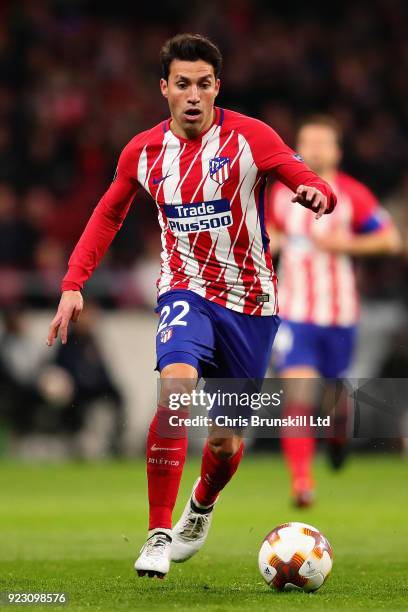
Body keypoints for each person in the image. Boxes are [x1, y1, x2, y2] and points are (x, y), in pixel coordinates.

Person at [46, 34, 336, 578]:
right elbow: (108, 214)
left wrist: (318, 192)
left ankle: (200, 507)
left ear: (216, 87)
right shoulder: (143, 151)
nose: (194, 94)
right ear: (165, 89)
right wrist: (73, 281)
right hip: (184, 291)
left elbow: (305, 177)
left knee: (225, 443)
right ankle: (158, 533)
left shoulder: (251, 137)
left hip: (250, 303)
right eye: (183, 84)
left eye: (204, 84)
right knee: (175, 389)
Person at [266, 115, 401, 507]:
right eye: (308, 142)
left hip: (339, 316)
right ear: (298, 148)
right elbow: (272, 232)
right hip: (294, 314)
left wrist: (346, 246)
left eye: (324, 143)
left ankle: (338, 432)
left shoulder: (353, 196)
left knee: (334, 401)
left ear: (337, 152)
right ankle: (302, 483)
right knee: (298, 395)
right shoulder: (279, 194)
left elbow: (390, 240)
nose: (315, 149)